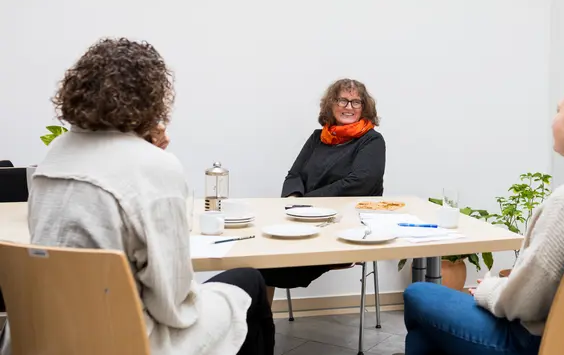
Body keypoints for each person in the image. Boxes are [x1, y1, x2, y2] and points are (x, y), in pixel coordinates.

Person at [14, 38, 274, 355]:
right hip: (125, 340)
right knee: (249, 283)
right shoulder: (154, 166)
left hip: (51, 335)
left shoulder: (54, 156)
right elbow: (171, 306)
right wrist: (153, 158)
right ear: (151, 97)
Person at [403, 72, 564, 355]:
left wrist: (488, 289)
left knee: (418, 293)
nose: (554, 120)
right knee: (427, 333)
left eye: (560, 111)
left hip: (529, 343)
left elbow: (521, 304)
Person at [259, 79, 386, 303]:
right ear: (331, 105)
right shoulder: (317, 138)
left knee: (265, 267)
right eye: (342, 100)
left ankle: (260, 332)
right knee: (259, 257)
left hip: (344, 227)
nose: (349, 107)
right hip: (303, 221)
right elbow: (294, 175)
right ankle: (260, 328)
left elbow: (360, 182)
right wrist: (293, 199)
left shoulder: (372, 140)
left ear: (364, 107)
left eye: (356, 102)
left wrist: (306, 203)